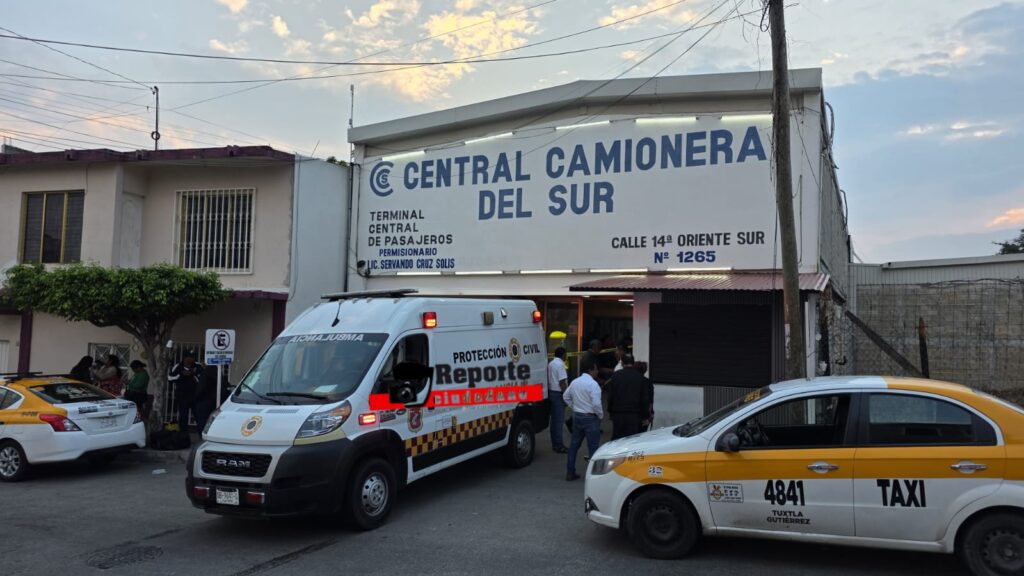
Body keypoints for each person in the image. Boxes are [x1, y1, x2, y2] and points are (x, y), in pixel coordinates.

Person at [564, 357, 603, 481]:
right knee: (593, 447)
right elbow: (596, 404)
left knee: (574, 445)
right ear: (590, 370)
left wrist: (574, 407)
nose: (597, 371)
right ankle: (593, 476)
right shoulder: (593, 385)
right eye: (596, 369)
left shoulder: (575, 382)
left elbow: (566, 396)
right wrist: (600, 415)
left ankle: (570, 471)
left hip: (577, 416)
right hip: (590, 417)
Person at [605, 354, 651, 440]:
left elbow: (610, 396)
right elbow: (645, 399)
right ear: (633, 363)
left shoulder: (616, 376)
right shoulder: (640, 378)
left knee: (617, 440)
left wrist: (610, 412)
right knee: (631, 440)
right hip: (634, 415)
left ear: (622, 363)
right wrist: (645, 416)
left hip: (618, 414)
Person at [169, 351, 202, 430]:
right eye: (191, 357)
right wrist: (181, 374)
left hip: (196, 397)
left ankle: (201, 434)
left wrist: (193, 374)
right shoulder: (178, 366)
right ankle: (183, 435)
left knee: (199, 417)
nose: (192, 359)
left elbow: (202, 379)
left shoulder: (198, 365)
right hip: (182, 397)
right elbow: (170, 378)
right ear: (185, 358)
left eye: (193, 357)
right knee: (183, 417)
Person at [546, 347, 569, 454]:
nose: (566, 356)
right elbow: (562, 382)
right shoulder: (560, 365)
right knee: (559, 421)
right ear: (563, 355)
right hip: (558, 394)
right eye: (566, 354)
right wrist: (567, 396)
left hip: (551, 392)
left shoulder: (551, 364)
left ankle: (555, 444)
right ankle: (559, 445)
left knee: (554, 421)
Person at [193, 364, 227, 433]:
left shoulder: (205, 373)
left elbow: (201, 388)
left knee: (202, 421)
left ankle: (203, 435)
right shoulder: (218, 374)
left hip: (204, 400)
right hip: (215, 401)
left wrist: (196, 398)